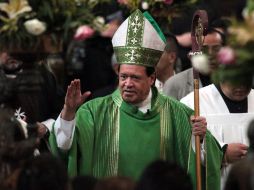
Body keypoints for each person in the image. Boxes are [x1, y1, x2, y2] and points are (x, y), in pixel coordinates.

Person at [49, 10, 222, 190]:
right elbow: (64, 149)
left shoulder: (178, 114)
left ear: (152, 78)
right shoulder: (92, 112)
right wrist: (68, 114)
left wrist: (201, 140)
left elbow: (205, 162)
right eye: (123, 77)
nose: (128, 84)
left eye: (135, 78)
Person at [180, 46, 254, 189]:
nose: (240, 87)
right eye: (233, 81)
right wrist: (221, 153)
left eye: (245, 82)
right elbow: (184, 150)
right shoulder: (193, 102)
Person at [163, 26, 226, 100]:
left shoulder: (234, 81)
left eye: (216, 49)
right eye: (203, 49)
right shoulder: (174, 84)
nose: (210, 54)